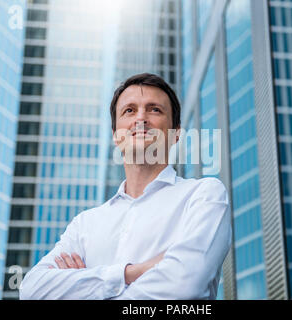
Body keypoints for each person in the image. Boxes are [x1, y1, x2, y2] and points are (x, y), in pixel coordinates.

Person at [19, 73, 232, 300]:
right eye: (129, 110)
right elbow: (32, 290)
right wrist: (131, 272)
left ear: (176, 133)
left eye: (155, 110)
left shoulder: (204, 195)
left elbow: (185, 284)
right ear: (115, 135)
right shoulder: (85, 224)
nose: (141, 119)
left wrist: (84, 285)